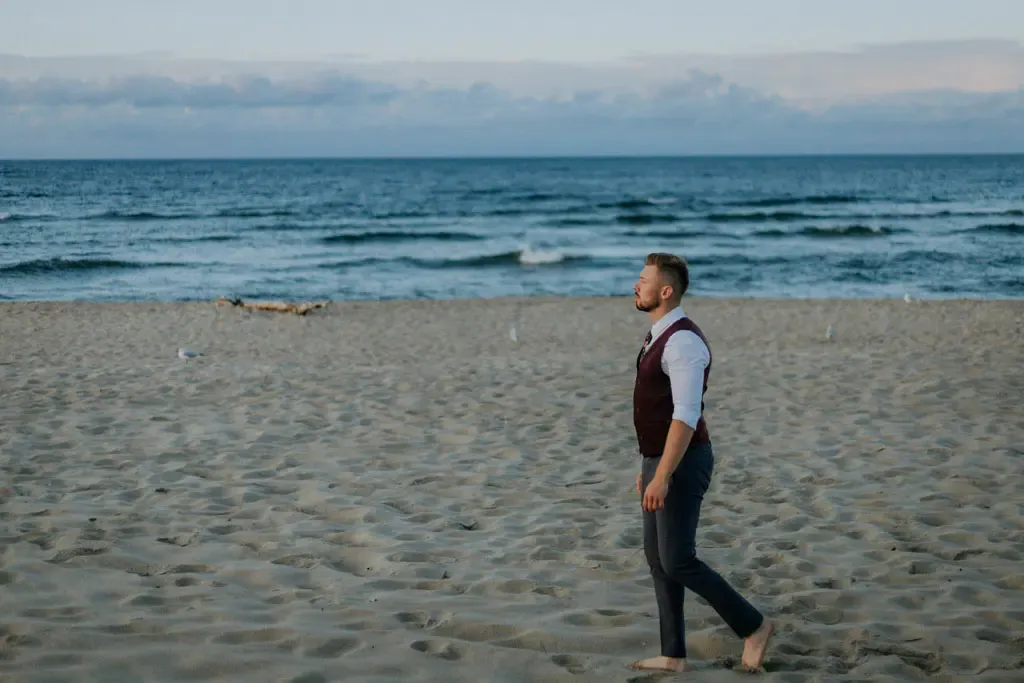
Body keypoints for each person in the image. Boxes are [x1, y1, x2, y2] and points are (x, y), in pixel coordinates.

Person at [629, 252, 774, 673]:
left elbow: (686, 415)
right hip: (659, 458)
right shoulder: (659, 334)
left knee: (678, 559)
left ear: (665, 291)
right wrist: (648, 467)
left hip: (684, 461)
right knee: (658, 559)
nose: (636, 285)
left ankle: (754, 626)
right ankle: (673, 654)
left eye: (644, 280)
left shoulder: (683, 343)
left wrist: (663, 474)